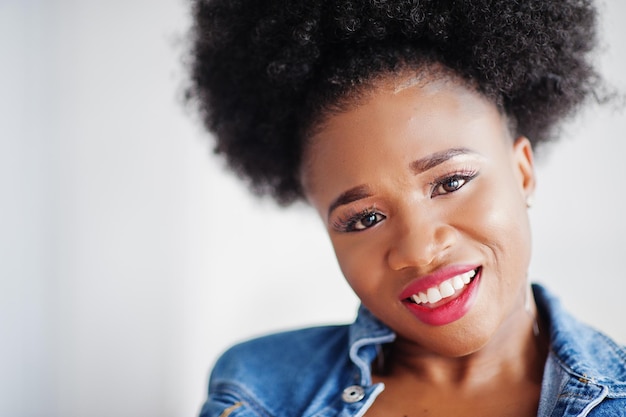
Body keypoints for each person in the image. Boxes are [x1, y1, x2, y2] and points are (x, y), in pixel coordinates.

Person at [187, 0, 626, 415]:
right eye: (365, 218)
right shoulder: (259, 391)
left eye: (450, 182)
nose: (417, 249)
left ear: (523, 172)